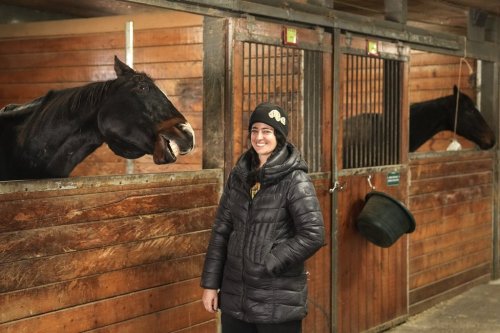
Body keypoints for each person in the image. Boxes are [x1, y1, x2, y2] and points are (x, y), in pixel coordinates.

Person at [200, 102, 325, 333]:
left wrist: (271, 260)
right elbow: (221, 231)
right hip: (235, 299)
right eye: (254, 130)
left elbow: (313, 234)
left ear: (279, 136)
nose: (259, 137)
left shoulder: (295, 180)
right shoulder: (239, 176)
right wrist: (210, 285)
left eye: (267, 131)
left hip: (276, 301)